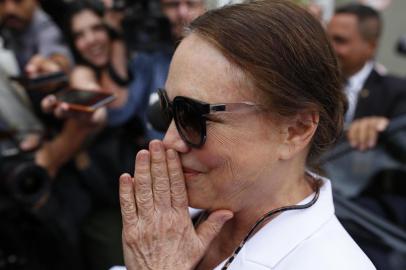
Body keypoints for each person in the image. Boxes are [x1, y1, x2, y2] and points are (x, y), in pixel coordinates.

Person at [117, 1, 375, 269]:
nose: (170, 140)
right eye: (166, 109)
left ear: (296, 130)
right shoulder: (170, 218)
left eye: (193, 116)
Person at [327, 4, 406, 151]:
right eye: (326, 38)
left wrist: (382, 129)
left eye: (340, 40)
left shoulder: (398, 92)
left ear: (371, 46)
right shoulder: (310, 85)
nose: (328, 47)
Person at [0, 0, 72, 76]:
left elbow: (57, 59)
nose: (8, 9)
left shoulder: (45, 28)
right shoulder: (7, 25)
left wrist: (53, 66)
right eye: (1, 2)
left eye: (18, 0)